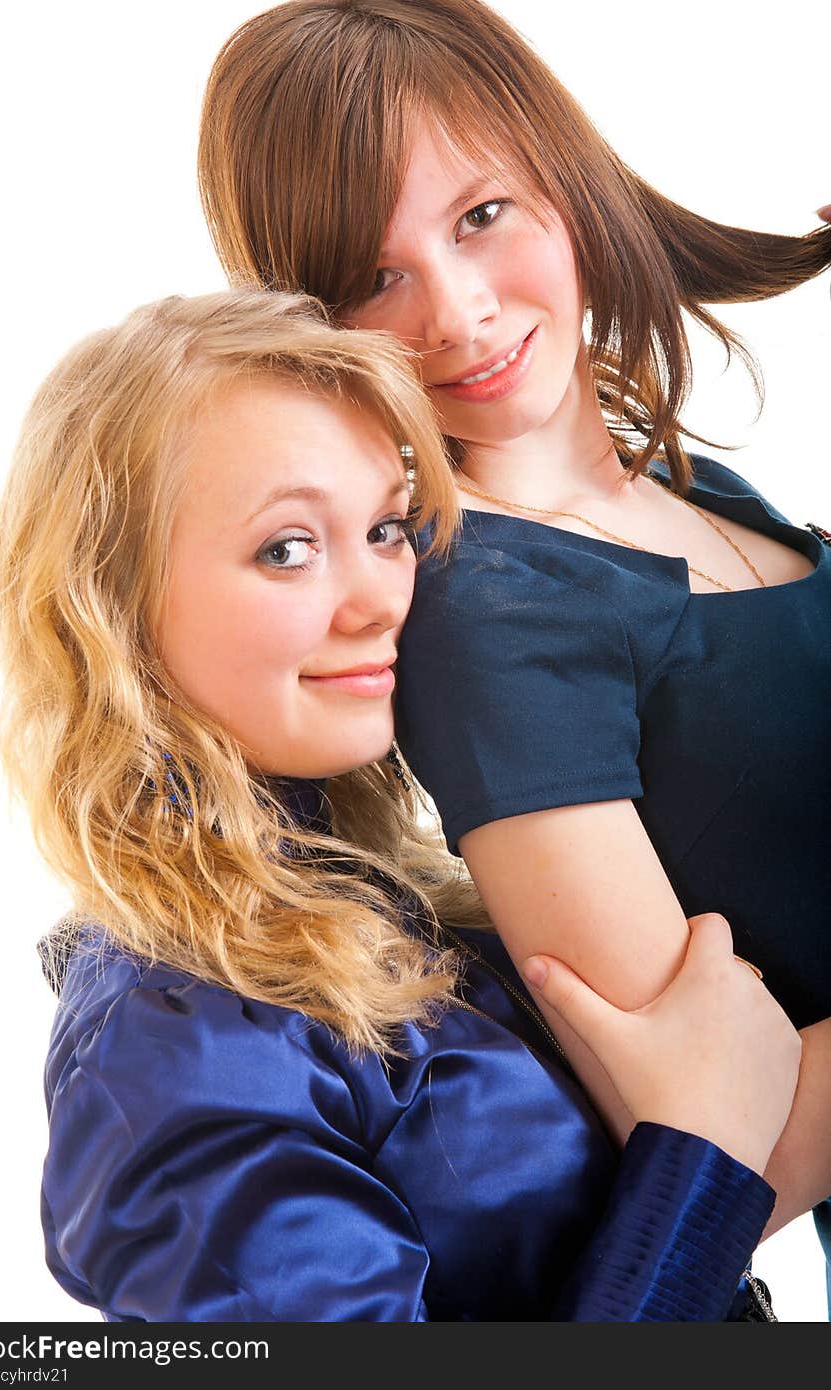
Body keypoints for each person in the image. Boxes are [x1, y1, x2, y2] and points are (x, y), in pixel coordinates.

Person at [0, 287, 798, 1321]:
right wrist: (703, 1155)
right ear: (112, 611)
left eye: (382, 527)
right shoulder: (163, 1036)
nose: (383, 596)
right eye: (287, 547)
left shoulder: (383, 898)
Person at [195, 0, 831, 1264]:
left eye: (480, 215)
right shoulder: (490, 609)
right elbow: (726, 1162)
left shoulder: (686, 488)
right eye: (374, 276)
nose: (458, 312)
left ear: (566, 179)